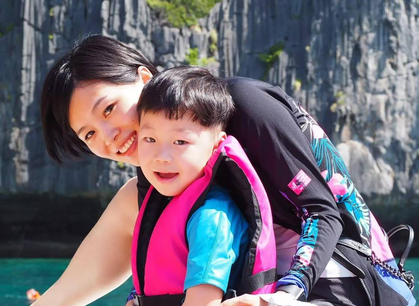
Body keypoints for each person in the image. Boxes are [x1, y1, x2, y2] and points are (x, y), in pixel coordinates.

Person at [36, 34, 415, 306]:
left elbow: (322, 211)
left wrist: (286, 296)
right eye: (89, 134)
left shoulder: (244, 106)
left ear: (144, 79)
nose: (110, 137)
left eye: (108, 110)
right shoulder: (146, 193)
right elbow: (63, 296)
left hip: (353, 283)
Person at [129, 66, 275, 306]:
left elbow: (203, 302)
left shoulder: (212, 217)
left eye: (180, 141)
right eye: (150, 139)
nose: (161, 156)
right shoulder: (174, 204)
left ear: (217, 146)